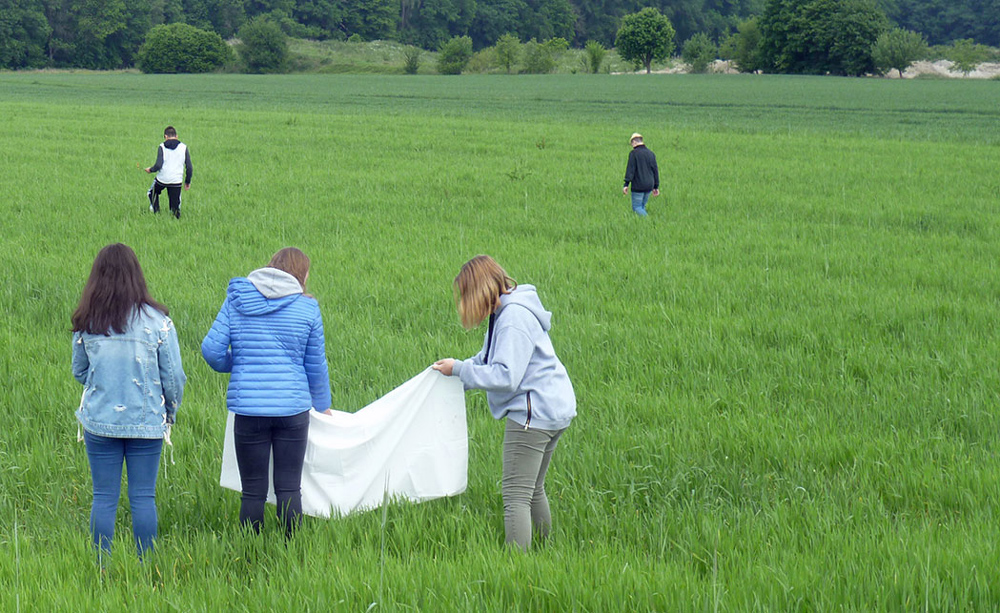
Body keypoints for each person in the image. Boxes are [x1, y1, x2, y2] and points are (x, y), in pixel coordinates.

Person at [432, 255, 576, 551]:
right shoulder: (505, 309)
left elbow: (506, 376)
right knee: (533, 489)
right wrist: (457, 366)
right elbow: (488, 358)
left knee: (515, 497)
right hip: (553, 407)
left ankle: (516, 567)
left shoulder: (513, 319)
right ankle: (545, 551)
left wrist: (459, 369)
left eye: (466, 294)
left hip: (533, 415)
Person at [201, 247, 332, 537]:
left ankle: (249, 554)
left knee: (252, 491)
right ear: (302, 275)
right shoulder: (308, 308)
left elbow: (211, 350)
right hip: (293, 410)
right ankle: (291, 552)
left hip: (248, 410)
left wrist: (239, 363)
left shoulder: (237, 299)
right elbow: (316, 365)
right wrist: (323, 404)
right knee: (288, 487)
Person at [71, 243, 186, 559]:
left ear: (97, 278)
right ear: (137, 276)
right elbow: (174, 378)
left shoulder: (87, 321)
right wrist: (169, 413)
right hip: (147, 421)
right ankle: (147, 565)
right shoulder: (159, 322)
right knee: (143, 497)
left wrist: (104, 383)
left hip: (99, 420)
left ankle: (100, 566)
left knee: (103, 497)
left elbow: (79, 370)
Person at [144, 126, 192, 219]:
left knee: (151, 192)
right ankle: (176, 217)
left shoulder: (162, 146)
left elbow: (158, 165)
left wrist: (150, 170)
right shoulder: (184, 147)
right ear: (177, 136)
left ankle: (156, 211)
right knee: (175, 205)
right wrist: (187, 181)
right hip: (176, 180)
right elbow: (189, 167)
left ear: (165, 136)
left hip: (162, 179)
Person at [622, 132, 659, 216]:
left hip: (638, 185)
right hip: (649, 184)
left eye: (631, 144)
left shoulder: (633, 154)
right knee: (642, 206)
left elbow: (630, 170)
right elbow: (655, 170)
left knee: (637, 207)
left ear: (634, 142)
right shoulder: (651, 153)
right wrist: (656, 186)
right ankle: (644, 224)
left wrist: (626, 184)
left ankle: (648, 221)